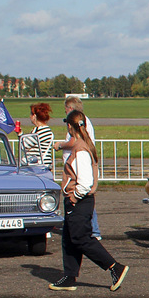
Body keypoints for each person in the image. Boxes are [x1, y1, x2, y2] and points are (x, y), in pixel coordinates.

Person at [48, 111, 128, 292]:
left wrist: (75, 197)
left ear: (69, 127)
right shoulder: (79, 145)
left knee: (81, 239)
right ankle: (69, 276)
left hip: (79, 200)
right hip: (77, 200)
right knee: (69, 239)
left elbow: (85, 182)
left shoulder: (80, 150)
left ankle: (115, 267)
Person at [55, 96, 101, 240]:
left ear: (71, 109)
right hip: (78, 167)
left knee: (82, 199)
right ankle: (89, 230)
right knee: (86, 201)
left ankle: (92, 231)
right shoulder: (84, 121)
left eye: (66, 110)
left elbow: (75, 142)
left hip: (77, 170)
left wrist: (60, 145)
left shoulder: (78, 124)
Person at [19, 103, 55, 170]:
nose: (30, 117)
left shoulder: (38, 131)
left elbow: (23, 146)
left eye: (31, 114)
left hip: (37, 167)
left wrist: (20, 134)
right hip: (45, 165)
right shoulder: (47, 130)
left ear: (34, 116)